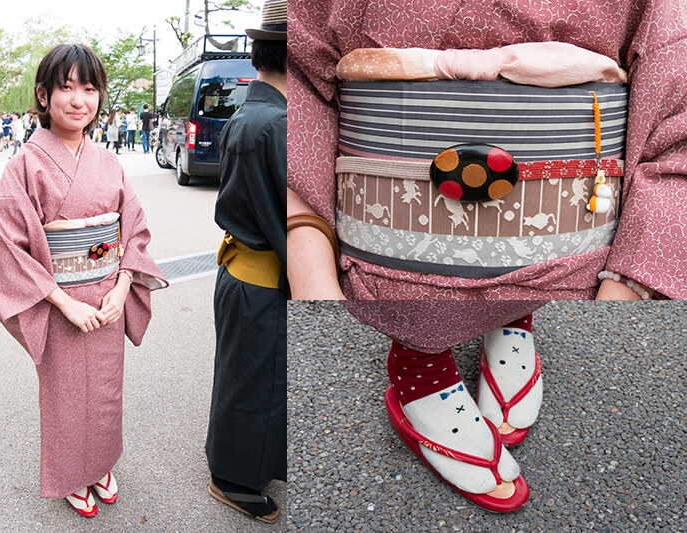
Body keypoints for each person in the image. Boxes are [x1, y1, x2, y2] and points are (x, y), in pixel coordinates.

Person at [286, 0, 687, 513]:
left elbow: (671, 90)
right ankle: (419, 366)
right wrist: (309, 255)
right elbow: (304, 80)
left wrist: (627, 280)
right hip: (390, 234)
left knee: (534, 274)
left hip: (565, 229)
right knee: (410, 308)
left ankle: (515, 317)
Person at [0, 43, 167, 518]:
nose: (79, 99)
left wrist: (125, 285)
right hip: (61, 303)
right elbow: (5, 245)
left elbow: (134, 228)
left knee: (105, 390)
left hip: (108, 298)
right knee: (66, 395)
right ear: (43, 96)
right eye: (66, 87)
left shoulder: (108, 162)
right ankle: (70, 475)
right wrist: (63, 302)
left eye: (89, 87)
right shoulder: (25, 164)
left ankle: (101, 464)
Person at [205, 0, 287, 523]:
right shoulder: (273, 122)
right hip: (262, 276)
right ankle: (233, 479)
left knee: (244, 375)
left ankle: (230, 459)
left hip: (242, 271)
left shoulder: (253, 113)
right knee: (258, 380)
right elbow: (290, 225)